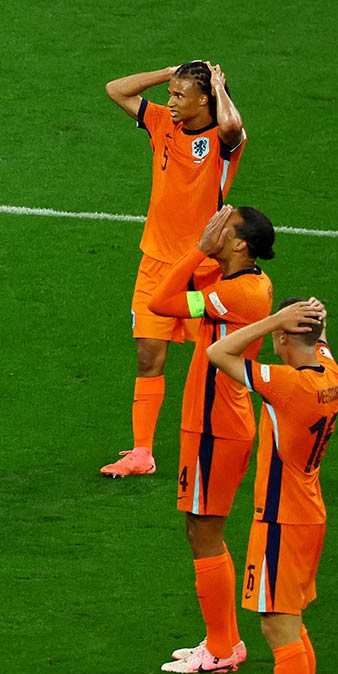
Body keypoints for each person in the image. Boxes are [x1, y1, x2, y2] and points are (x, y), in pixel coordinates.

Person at [100, 61, 245, 478]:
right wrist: (167, 73)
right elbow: (116, 88)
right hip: (156, 264)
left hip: (204, 267)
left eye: (181, 95)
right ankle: (141, 453)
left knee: (216, 359)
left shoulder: (222, 138)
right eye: (172, 93)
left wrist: (220, 88)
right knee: (148, 356)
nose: (171, 101)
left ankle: (222, 440)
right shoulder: (163, 121)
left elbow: (234, 126)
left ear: (206, 100)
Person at [148, 204, 275, 673]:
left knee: (204, 531)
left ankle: (222, 649)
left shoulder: (239, 294)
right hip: (211, 424)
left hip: (215, 428)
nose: (215, 227)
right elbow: (186, 285)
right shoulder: (237, 282)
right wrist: (204, 249)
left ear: (240, 243)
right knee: (199, 529)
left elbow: (161, 300)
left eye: (226, 225)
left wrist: (200, 248)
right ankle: (223, 640)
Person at [207, 297, 338, 674]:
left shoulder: (288, 385)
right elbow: (319, 340)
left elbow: (219, 352)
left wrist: (272, 320)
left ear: (284, 336)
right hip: (308, 514)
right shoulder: (331, 374)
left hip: (281, 521)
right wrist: (312, 317)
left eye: (278, 335)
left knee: (278, 631)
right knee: (292, 626)